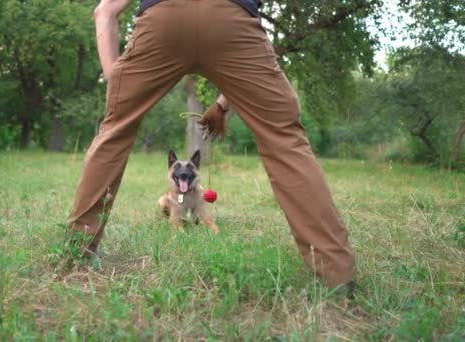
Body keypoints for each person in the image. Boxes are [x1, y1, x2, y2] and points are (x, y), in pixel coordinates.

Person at [66, 0, 355, 293]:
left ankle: (77, 252)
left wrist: (116, 88)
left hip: (163, 18)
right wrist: (222, 104)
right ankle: (336, 274)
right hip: (231, 19)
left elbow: (105, 11)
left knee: (115, 130)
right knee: (285, 138)